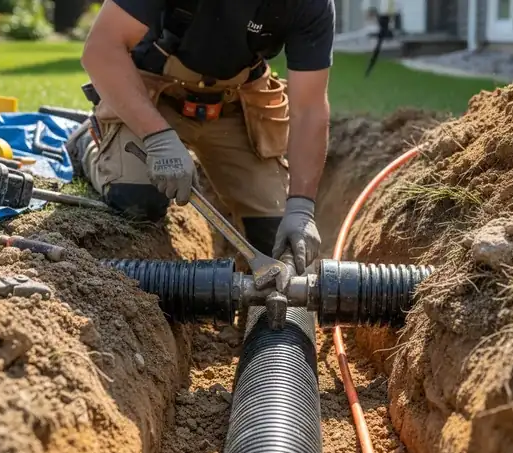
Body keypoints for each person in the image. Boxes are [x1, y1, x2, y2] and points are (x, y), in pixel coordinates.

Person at [66, 0, 334, 282]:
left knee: (278, 238)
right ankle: (89, 143)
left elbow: (310, 108)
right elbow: (102, 48)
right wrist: (158, 138)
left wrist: (301, 207)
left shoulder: (311, 5)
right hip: (154, 95)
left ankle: (259, 316)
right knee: (137, 200)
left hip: (235, 104)